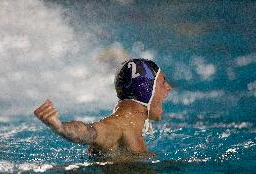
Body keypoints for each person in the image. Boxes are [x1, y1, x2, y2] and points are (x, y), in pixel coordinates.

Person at [34, 58, 171, 158]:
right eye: (163, 82)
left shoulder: (129, 126)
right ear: (145, 90)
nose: (168, 87)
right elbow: (88, 132)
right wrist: (61, 128)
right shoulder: (118, 126)